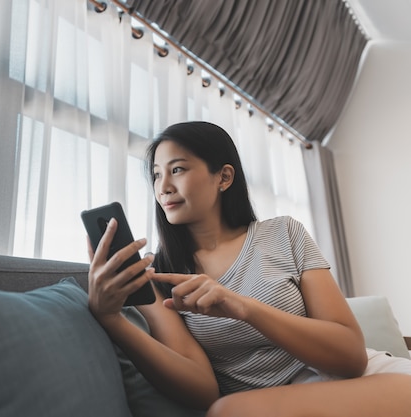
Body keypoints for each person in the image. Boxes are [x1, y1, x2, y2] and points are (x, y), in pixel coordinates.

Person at [86, 121, 411, 416]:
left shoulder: (284, 233)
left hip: (368, 382)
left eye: (178, 169)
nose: (164, 186)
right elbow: (202, 391)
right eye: (156, 174)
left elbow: (350, 357)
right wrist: (111, 318)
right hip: (268, 407)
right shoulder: (159, 275)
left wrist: (243, 307)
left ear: (224, 177)